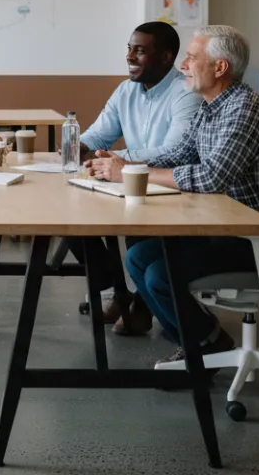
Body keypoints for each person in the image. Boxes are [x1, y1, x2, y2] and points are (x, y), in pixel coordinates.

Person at [88, 25, 259, 364]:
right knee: (138, 257)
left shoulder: (242, 109)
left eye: (191, 57)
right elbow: (178, 155)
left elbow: (211, 176)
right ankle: (198, 339)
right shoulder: (211, 106)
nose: (183, 65)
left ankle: (206, 342)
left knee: (160, 275)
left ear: (220, 68)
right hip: (228, 226)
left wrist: (130, 172)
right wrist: (121, 162)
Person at [69, 22, 203, 336]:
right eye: (129, 48)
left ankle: (142, 307)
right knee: (72, 214)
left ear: (166, 57)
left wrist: (119, 160)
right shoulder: (126, 90)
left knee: (135, 223)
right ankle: (118, 292)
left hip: (173, 188)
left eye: (140, 50)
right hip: (131, 180)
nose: (130, 56)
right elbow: (99, 135)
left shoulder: (186, 92)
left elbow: (174, 152)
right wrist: (77, 148)